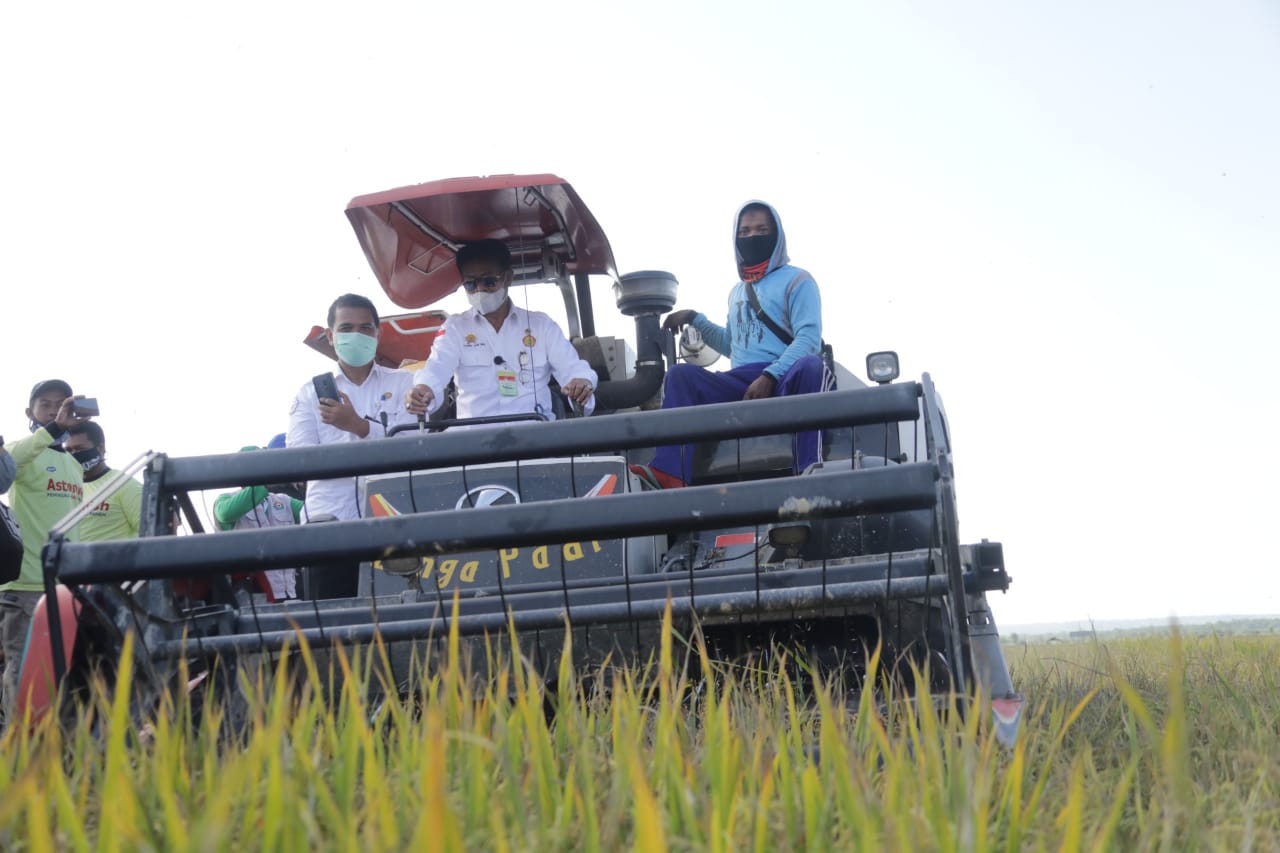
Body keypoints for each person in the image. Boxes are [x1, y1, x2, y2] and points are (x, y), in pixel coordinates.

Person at [637, 201, 832, 489]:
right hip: (742, 382)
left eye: (762, 230)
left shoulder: (798, 280)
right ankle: (669, 474)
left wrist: (770, 375)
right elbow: (733, 345)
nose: (752, 236)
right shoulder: (738, 291)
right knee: (679, 375)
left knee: (812, 366)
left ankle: (808, 469)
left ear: (777, 235)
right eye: (745, 231)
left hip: (785, 378)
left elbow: (809, 339)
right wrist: (694, 318)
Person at [405, 239, 596, 423]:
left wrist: (580, 383)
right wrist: (423, 390)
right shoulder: (454, 328)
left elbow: (573, 368)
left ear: (508, 278)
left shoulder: (541, 325)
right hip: (474, 438)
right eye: (471, 284)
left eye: (488, 282)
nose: (479, 290)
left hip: (535, 434)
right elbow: (436, 370)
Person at [0, 380, 90, 721]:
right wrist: (52, 429)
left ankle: (58, 747)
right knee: (25, 672)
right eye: (46, 404)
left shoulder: (74, 464)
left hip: (67, 587)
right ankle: (16, 747)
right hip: (25, 586)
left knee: (66, 674)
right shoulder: (20, 451)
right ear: (29, 412)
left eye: (61, 403)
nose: (54, 410)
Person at [287, 293, 419, 522]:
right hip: (329, 516)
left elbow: (414, 446)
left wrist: (359, 426)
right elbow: (299, 462)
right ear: (330, 336)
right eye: (346, 328)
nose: (356, 335)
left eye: (365, 328)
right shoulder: (309, 393)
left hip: (395, 513)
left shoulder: (405, 383)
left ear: (378, 334)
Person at [212, 444, 305, 601]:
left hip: (289, 595)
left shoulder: (284, 501)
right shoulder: (225, 499)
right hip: (252, 598)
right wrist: (264, 483)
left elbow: (311, 512)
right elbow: (225, 514)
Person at [64, 421, 142, 542]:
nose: (74, 455)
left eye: (79, 449)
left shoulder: (123, 484)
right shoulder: (64, 486)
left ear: (100, 448)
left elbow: (152, 530)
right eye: (69, 450)